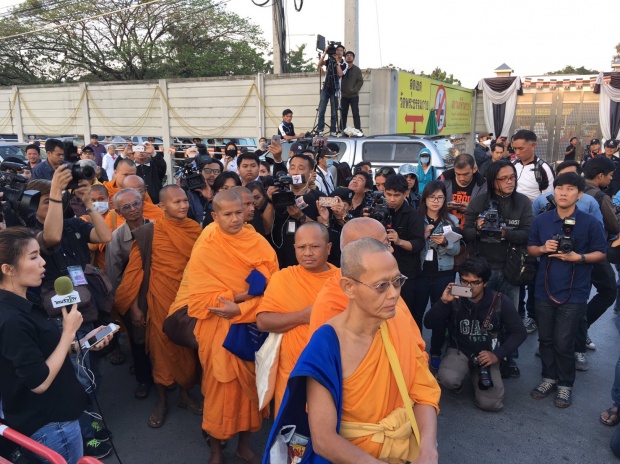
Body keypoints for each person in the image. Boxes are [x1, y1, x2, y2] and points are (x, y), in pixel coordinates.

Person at [266, 238, 440, 463]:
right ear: (349, 287)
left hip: (403, 452)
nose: (393, 294)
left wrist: (428, 450)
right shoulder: (327, 345)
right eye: (381, 286)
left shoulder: (399, 326)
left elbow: (423, 390)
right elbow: (324, 439)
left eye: (397, 281)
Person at [0, 227, 112, 464]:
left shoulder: (24, 301)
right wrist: (68, 332)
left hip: (56, 416)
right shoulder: (10, 319)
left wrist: (81, 344)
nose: (43, 263)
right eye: (33, 257)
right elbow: (38, 381)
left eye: (40, 254)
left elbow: (39, 355)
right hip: (51, 425)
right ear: (8, 269)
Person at [187, 190, 279, 464]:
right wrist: (241, 296)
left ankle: (244, 445)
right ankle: (216, 449)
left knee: (250, 390)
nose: (235, 219)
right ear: (215, 216)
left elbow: (273, 288)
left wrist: (241, 307)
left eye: (239, 212)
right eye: (227, 214)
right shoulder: (206, 245)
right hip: (218, 329)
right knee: (218, 393)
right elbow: (200, 298)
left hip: (249, 327)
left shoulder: (257, 242)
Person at [27, 168, 113, 458]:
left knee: (91, 371)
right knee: (74, 377)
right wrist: (53, 191)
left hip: (85, 308)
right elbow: (50, 237)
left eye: (57, 200)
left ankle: (87, 419)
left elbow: (105, 235)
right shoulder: (30, 235)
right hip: (57, 317)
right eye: (46, 203)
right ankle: (86, 431)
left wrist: (88, 202)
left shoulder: (74, 223)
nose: (55, 206)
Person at [113, 185, 202, 429]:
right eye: (176, 202)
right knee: (161, 351)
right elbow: (132, 274)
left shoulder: (195, 230)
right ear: (161, 207)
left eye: (185, 200)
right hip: (160, 301)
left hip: (188, 301)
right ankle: (162, 401)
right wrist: (134, 308)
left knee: (187, 350)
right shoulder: (147, 233)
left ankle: (184, 395)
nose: (183, 205)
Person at [527, 172, 607, 408]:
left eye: (570, 188)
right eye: (560, 188)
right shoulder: (542, 220)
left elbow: (602, 253)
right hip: (544, 289)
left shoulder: (589, 222)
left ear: (580, 194)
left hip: (575, 292)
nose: (563, 192)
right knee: (546, 339)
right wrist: (543, 248)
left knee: (564, 341)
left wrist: (578, 257)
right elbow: (530, 249)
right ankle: (548, 378)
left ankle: (565, 385)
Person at [424, 257, 527, 411]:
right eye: (465, 282)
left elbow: (520, 332)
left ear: (485, 283)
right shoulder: (455, 298)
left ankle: (476, 375)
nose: (469, 287)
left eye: (475, 283)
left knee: (491, 404)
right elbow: (429, 323)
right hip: (460, 350)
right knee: (447, 380)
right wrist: (443, 302)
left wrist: (497, 354)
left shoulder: (499, 301)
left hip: (487, 354)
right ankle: (462, 374)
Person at [256, 222, 338, 415]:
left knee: (325, 435)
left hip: (329, 371)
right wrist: (303, 316)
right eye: (301, 247)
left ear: (328, 248)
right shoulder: (283, 278)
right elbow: (263, 322)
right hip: (291, 373)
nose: (307, 253)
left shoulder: (341, 282)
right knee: (289, 434)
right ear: (294, 248)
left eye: (314, 246)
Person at [573, 157, 619, 370]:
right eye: (610, 176)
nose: (610, 179)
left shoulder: (574, 189)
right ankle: (578, 333)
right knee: (608, 290)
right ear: (600, 175)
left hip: (572, 252)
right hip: (594, 252)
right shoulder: (599, 197)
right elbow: (614, 225)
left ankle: (574, 333)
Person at [414, 181, 460, 370]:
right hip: (420, 272)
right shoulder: (416, 219)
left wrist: (444, 244)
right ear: (425, 198)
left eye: (440, 197)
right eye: (432, 197)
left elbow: (456, 250)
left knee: (441, 312)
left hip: (444, 272)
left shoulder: (451, 221)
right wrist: (423, 237)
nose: (436, 201)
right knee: (416, 313)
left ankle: (435, 352)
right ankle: (416, 350)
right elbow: (412, 248)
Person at [271, 154, 328, 268]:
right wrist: (269, 200)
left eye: (301, 168)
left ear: (311, 173)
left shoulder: (320, 197)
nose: (295, 172)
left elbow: (323, 231)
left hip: (308, 260)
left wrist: (301, 217)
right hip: (279, 258)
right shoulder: (277, 194)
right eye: (292, 168)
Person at [381, 174, 425, 320]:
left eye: (397, 195)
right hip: (381, 273)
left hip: (406, 275)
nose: (392, 199)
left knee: (406, 316)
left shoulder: (414, 216)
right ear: (384, 192)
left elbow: (419, 244)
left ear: (406, 193)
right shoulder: (378, 211)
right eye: (389, 194)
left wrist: (399, 241)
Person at [440, 153, 488, 228]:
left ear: (474, 169)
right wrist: (445, 206)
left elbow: (489, 210)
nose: (461, 178)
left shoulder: (484, 185)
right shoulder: (443, 181)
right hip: (446, 229)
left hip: (472, 230)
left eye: (466, 174)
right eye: (458, 174)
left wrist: (472, 209)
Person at [512, 129, 554, 202]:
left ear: (533, 146)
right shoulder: (511, 165)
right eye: (515, 149)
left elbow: (547, 199)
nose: (517, 152)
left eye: (521, 148)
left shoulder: (544, 168)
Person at [317, 44, 347, 136]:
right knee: (322, 110)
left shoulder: (343, 64)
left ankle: (333, 130)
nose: (338, 52)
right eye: (337, 50)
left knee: (334, 112)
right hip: (326, 88)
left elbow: (340, 74)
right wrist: (325, 52)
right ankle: (320, 130)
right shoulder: (329, 61)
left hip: (335, 89)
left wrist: (337, 62)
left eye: (341, 50)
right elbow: (319, 64)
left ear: (343, 53)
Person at [340, 50, 363, 133]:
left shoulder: (357, 70)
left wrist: (355, 90)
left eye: (350, 55)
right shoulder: (342, 68)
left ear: (353, 58)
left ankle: (358, 130)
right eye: (347, 55)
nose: (349, 56)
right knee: (343, 115)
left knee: (356, 114)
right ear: (345, 58)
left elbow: (360, 81)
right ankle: (341, 130)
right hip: (344, 96)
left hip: (354, 96)